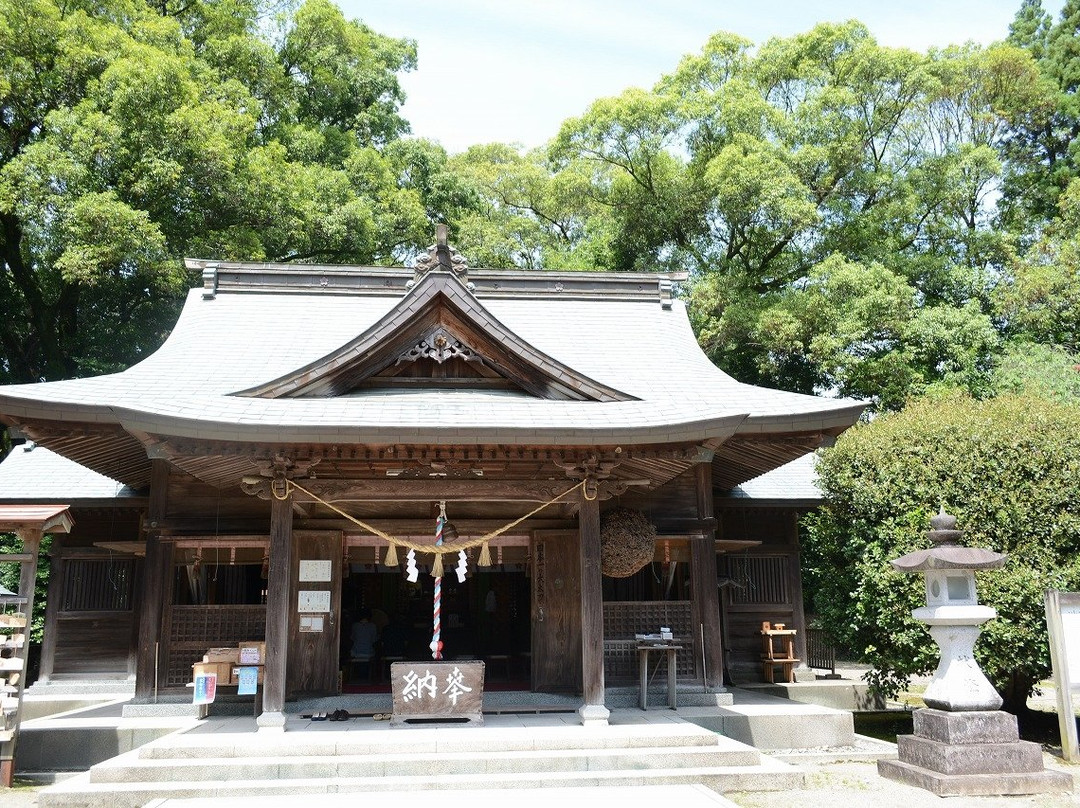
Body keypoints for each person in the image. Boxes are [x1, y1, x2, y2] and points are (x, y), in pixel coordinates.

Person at [349, 608, 378, 680]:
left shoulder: (355, 626)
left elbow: (352, 638)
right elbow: (374, 640)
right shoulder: (373, 626)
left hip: (356, 652)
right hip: (369, 652)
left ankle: (355, 677)